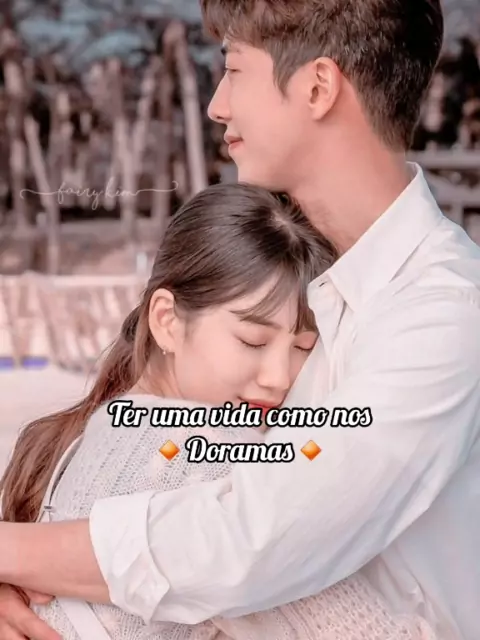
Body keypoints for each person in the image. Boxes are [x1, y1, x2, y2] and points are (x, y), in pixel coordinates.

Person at [0, 0, 480, 638]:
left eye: (233, 69)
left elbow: (259, 537)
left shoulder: (442, 311)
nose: (216, 105)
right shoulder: (281, 265)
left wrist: (19, 557)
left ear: (317, 87)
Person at [0, 182, 435, 640]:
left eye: (303, 349)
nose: (278, 377)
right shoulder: (213, 455)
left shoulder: (74, 439)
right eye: (253, 341)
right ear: (166, 320)